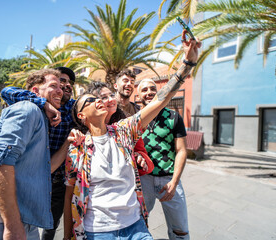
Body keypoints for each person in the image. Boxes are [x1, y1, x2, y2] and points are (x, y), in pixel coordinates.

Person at [64, 31, 200, 240]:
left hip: (136, 226)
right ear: (81, 116)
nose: (98, 101)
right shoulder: (78, 147)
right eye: (89, 101)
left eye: (98, 98)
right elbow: (69, 195)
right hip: (98, 231)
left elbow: (160, 100)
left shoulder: (123, 131)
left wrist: (187, 64)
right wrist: (67, 235)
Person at [0, 69, 70, 240]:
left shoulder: (41, 116)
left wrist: (68, 143)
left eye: (62, 86)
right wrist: (12, 226)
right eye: (53, 85)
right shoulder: (28, 110)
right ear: (35, 91)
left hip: (19, 222)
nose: (60, 90)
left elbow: (44, 169)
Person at [1, 66, 76, 240]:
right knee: (22, 221)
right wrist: (44, 104)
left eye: (68, 82)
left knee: (50, 225)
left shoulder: (73, 109)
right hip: (28, 179)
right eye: (60, 82)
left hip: (56, 180)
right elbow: (7, 92)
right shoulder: (33, 106)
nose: (65, 86)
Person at [138, 78, 189, 240]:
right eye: (144, 90)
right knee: (138, 223)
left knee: (180, 228)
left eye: (152, 88)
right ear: (138, 95)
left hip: (169, 180)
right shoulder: (135, 119)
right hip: (143, 180)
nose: (149, 92)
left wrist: (174, 182)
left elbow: (181, 150)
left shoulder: (173, 117)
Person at [86, 81, 153, 176]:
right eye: (104, 97)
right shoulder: (85, 131)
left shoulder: (126, 126)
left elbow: (147, 161)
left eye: (112, 95)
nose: (111, 100)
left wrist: (139, 157)